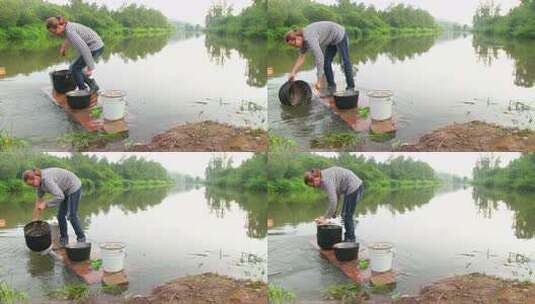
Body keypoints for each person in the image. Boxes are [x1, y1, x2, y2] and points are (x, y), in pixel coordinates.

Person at [285, 21, 355, 96]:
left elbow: (319, 58)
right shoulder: (303, 42)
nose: (295, 47)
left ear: (298, 37)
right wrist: (293, 72)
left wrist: (319, 81)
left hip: (339, 34)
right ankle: (332, 87)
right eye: (293, 46)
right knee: (326, 63)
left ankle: (350, 88)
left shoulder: (309, 37)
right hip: (331, 40)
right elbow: (301, 58)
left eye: (294, 44)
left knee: (345, 61)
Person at [23, 168, 85, 247]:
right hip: (63, 190)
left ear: (36, 176)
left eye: (32, 183)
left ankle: (81, 238)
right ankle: (64, 239)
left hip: (73, 186)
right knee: (60, 216)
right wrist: (34, 220)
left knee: (71, 216)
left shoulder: (46, 180)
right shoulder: (39, 186)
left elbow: (60, 197)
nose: (33, 186)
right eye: (31, 185)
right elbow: (38, 203)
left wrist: (46, 204)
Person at [304, 167, 364, 242]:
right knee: (345, 215)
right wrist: (335, 210)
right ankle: (349, 238)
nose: (315, 187)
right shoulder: (323, 177)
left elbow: (333, 201)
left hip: (354, 187)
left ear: (316, 177)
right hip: (352, 187)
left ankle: (350, 240)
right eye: (312, 186)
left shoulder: (326, 180)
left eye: (313, 184)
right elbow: (336, 195)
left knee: (346, 215)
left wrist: (324, 218)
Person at [46, 16, 104, 93]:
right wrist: (63, 47)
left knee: (74, 68)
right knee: (74, 68)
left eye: (54, 32)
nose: (54, 34)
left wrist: (90, 68)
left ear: (59, 26)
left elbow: (84, 49)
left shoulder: (70, 31)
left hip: (95, 47)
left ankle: (83, 90)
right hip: (95, 46)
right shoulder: (66, 26)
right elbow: (68, 37)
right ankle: (90, 84)